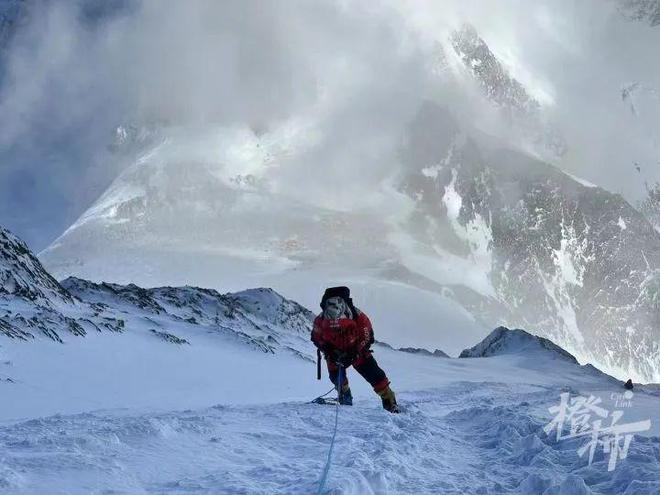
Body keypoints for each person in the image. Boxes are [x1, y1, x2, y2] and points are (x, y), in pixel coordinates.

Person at [311, 286, 399, 413]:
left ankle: (390, 402)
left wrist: (354, 353)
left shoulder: (359, 318)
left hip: (357, 351)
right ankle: (345, 398)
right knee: (337, 378)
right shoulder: (320, 321)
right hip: (334, 353)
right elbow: (316, 338)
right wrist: (330, 351)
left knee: (376, 376)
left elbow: (368, 337)